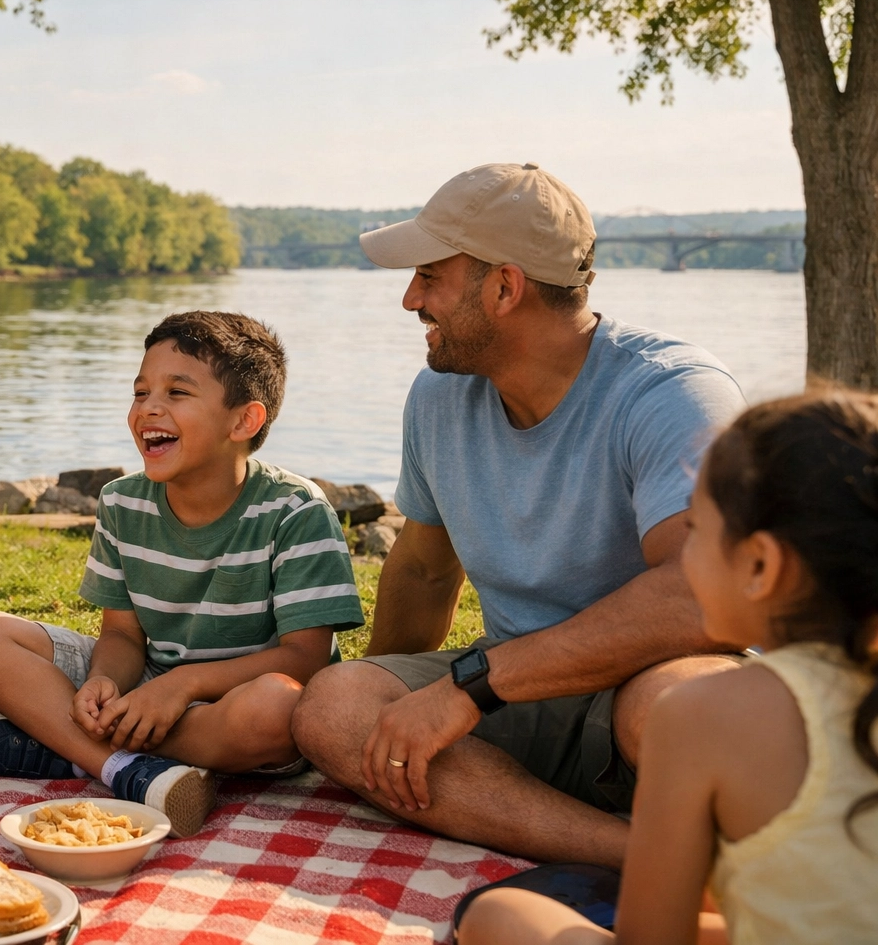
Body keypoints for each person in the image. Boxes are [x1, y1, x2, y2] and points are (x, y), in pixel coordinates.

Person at [291, 163, 747, 867]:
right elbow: (420, 569)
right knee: (334, 705)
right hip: (508, 702)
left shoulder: (673, 394)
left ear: (505, 287)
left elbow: (703, 597)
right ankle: (633, 852)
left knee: (678, 714)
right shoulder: (439, 397)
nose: (411, 298)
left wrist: (475, 687)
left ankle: (586, 823)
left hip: (651, 684)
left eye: (430, 276)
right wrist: (379, 716)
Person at [458, 391, 878, 944]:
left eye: (697, 531)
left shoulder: (701, 715)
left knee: (502, 916)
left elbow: (653, 939)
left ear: (760, 565)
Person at [0, 310, 365, 837]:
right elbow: (122, 634)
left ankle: (65, 743)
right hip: (145, 684)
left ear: (244, 421)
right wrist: (105, 681)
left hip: (234, 702)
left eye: (177, 392)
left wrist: (183, 685)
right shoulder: (122, 502)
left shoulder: (297, 512)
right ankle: (125, 768)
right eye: (140, 391)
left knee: (280, 709)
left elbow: (305, 660)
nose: (149, 408)